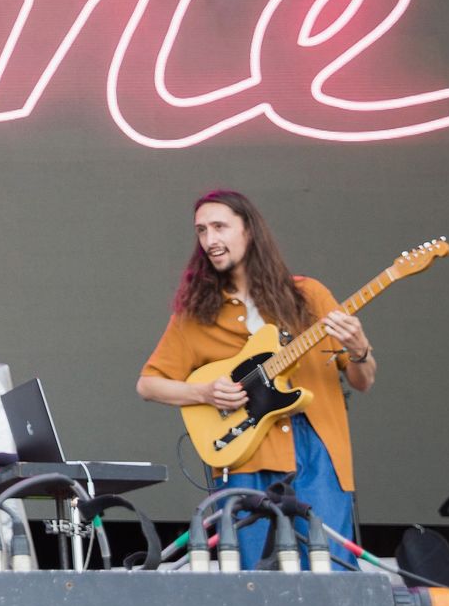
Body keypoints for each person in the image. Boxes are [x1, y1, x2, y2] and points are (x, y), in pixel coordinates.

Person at [137, 190, 377, 568]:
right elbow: (148, 384)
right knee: (252, 580)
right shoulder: (196, 314)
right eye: (201, 231)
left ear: (249, 230)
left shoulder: (309, 295)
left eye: (220, 227)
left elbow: (362, 380)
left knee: (330, 573)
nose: (210, 240)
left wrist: (360, 348)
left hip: (316, 447)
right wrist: (205, 392)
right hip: (243, 454)